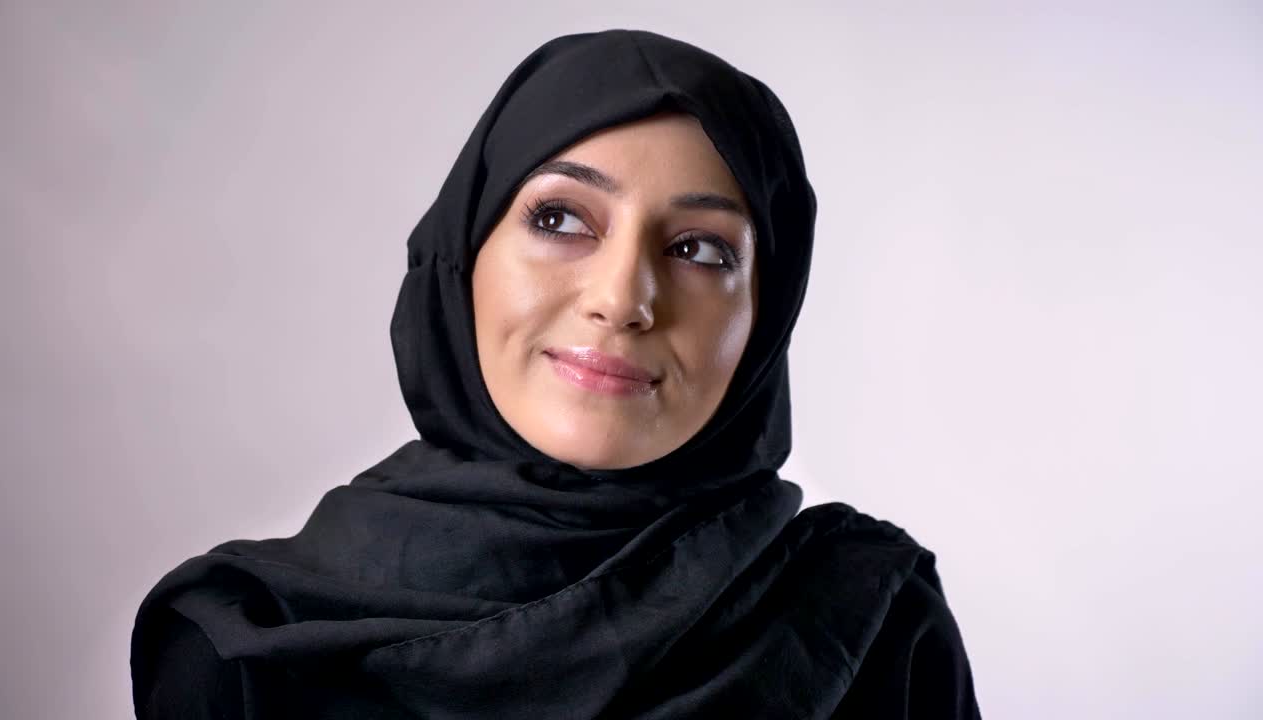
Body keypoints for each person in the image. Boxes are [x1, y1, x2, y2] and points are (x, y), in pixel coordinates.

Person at [130, 29, 981, 719]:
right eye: (561, 219)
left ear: (766, 315)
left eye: (698, 249)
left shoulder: (871, 626)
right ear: (465, 256)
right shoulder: (245, 644)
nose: (621, 299)